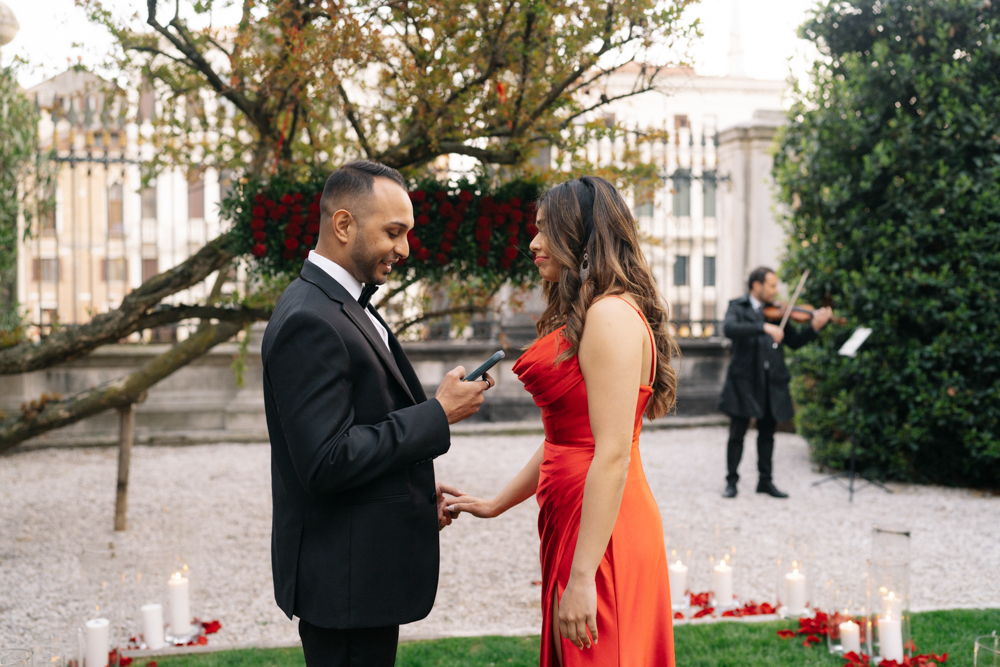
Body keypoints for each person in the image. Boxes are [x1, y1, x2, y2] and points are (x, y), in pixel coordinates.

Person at [261, 160, 493, 667]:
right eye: (394, 232)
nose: (405, 249)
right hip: (343, 589)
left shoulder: (340, 304)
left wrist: (409, 496)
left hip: (358, 579)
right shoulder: (309, 317)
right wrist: (437, 414)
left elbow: (359, 430)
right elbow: (326, 461)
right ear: (344, 225)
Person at [449, 177, 679, 666]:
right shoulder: (591, 312)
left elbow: (611, 453)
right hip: (575, 517)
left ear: (583, 235)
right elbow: (564, 438)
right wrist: (495, 504)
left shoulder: (610, 316)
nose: (533, 243)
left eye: (546, 230)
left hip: (603, 530)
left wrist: (581, 579)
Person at [718, 266, 832, 499]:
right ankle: (731, 482)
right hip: (744, 382)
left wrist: (815, 328)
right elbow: (730, 329)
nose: (776, 290)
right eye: (771, 285)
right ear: (756, 285)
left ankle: (765, 481)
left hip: (771, 382)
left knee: (767, 434)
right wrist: (763, 326)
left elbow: (795, 341)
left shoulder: (779, 312)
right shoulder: (737, 307)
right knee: (737, 434)